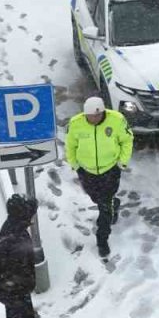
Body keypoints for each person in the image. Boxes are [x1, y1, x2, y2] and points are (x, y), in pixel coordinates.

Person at [65, 96, 133, 258]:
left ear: (102, 112)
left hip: (110, 169)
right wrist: (76, 166)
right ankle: (113, 204)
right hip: (87, 171)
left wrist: (122, 163)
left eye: (96, 116)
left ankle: (102, 238)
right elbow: (70, 146)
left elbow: (127, 140)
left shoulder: (117, 120)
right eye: (90, 116)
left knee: (104, 206)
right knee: (96, 198)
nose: (93, 119)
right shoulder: (75, 124)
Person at [0, 194, 38, 318]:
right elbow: (16, 267)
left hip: (13, 291)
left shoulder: (13, 227)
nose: (32, 219)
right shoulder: (15, 235)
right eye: (30, 215)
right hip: (15, 292)